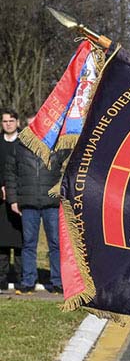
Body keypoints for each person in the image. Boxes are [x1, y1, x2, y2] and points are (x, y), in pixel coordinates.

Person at [5, 133, 70, 294]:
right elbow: (10, 173)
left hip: (52, 203)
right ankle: (28, 281)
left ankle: (58, 281)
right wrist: (13, 200)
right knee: (29, 244)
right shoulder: (19, 146)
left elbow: (69, 162)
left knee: (55, 243)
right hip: (28, 203)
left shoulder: (56, 145)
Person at [0, 110, 23, 290]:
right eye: (5, 121)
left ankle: (22, 276)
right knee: (2, 240)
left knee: (21, 238)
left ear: (17, 122)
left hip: (19, 198)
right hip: (1, 200)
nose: (8, 124)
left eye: (11, 121)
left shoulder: (24, 143)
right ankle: (2, 276)